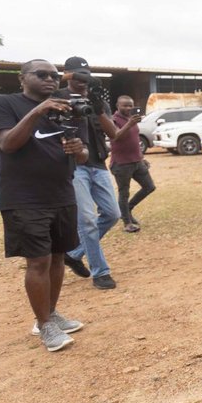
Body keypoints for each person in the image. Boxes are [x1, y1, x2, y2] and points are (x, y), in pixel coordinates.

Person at [0, 59, 89, 352]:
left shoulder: (68, 108)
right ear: (22, 78)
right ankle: (43, 326)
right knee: (38, 261)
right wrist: (38, 111)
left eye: (54, 76)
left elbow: (83, 154)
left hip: (61, 192)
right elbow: (8, 143)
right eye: (42, 75)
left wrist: (79, 150)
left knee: (57, 257)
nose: (50, 80)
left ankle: (51, 314)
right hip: (24, 197)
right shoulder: (2, 103)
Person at [57, 57, 121, 290]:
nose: (84, 81)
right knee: (87, 220)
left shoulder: (96, 100)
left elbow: (113, 133)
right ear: (68, 75)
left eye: (87, 76)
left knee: (113, 214)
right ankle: (100, 272)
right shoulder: (57, 96)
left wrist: (96, 103)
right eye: (78, 76)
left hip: (98, 164)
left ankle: (74, 254)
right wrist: (70, 78)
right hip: (74, 166)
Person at [110, 96, 155, 233]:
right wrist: (129, 124)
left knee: (149, 187)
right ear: (117, 105)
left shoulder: (132, 119)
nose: (128, 108)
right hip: (121, 164)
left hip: (137, 161)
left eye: (130, 105)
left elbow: (134, 140)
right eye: (125, 106)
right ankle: (127, 222)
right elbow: (115, 136)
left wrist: (141, 157)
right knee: (124, 193)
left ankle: (128, 208)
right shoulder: (113, 120)